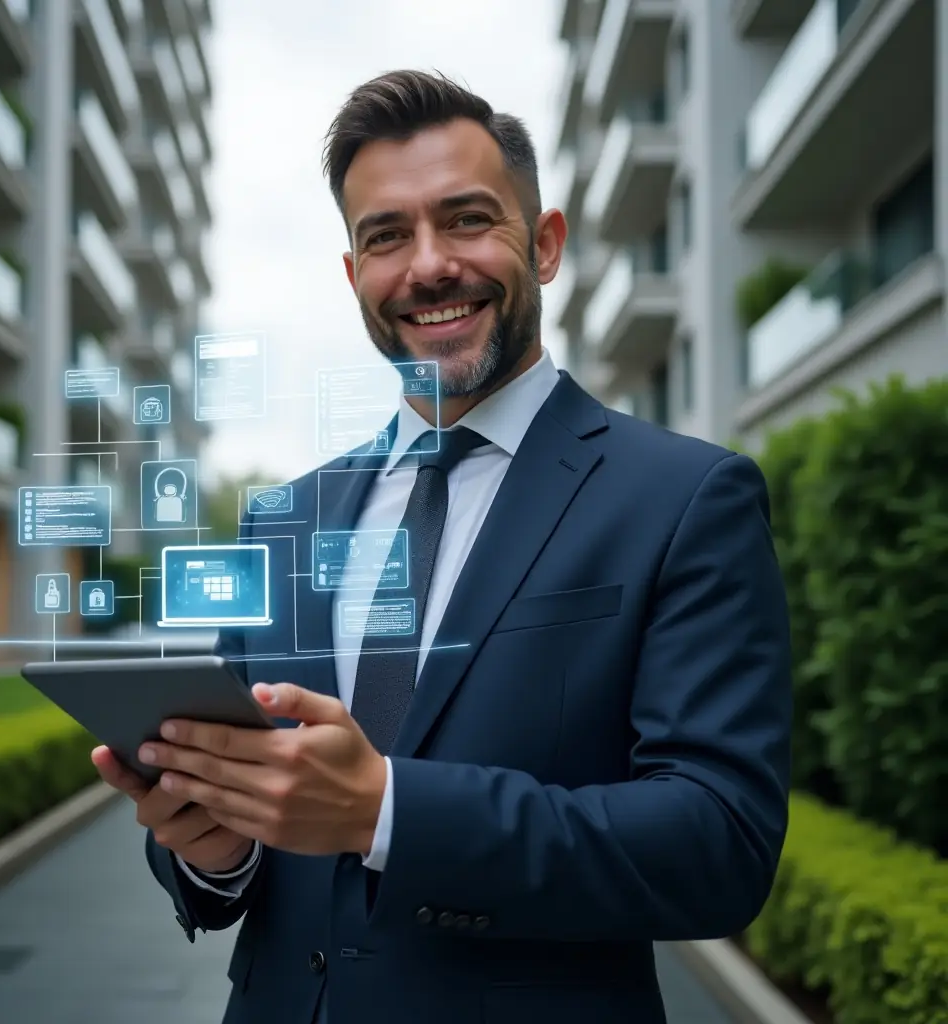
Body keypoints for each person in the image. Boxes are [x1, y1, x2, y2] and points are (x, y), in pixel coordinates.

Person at [93, 69, 792, 1024]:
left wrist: (388, 809)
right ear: (354, 278)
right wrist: (213, 851)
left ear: (543, 247)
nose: (427, 266)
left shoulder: (686, 498)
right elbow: (238, 834)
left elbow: (719, 843)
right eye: (386, 236)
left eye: (466, 220)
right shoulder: (282, 521)